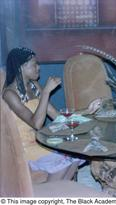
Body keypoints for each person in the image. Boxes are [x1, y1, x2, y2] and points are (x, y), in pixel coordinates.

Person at [2, 47, 102, 181]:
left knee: (77, 155)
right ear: (21, 67)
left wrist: (87, 111)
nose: (39, 68)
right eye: (34, 65)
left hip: (41, 141)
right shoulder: (10, 94)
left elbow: (56, 116)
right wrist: (46, 92)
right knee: (63, 162)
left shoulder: (34, 85)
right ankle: (50, 193)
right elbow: (36, 123)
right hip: (24, 148)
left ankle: (60, 191)